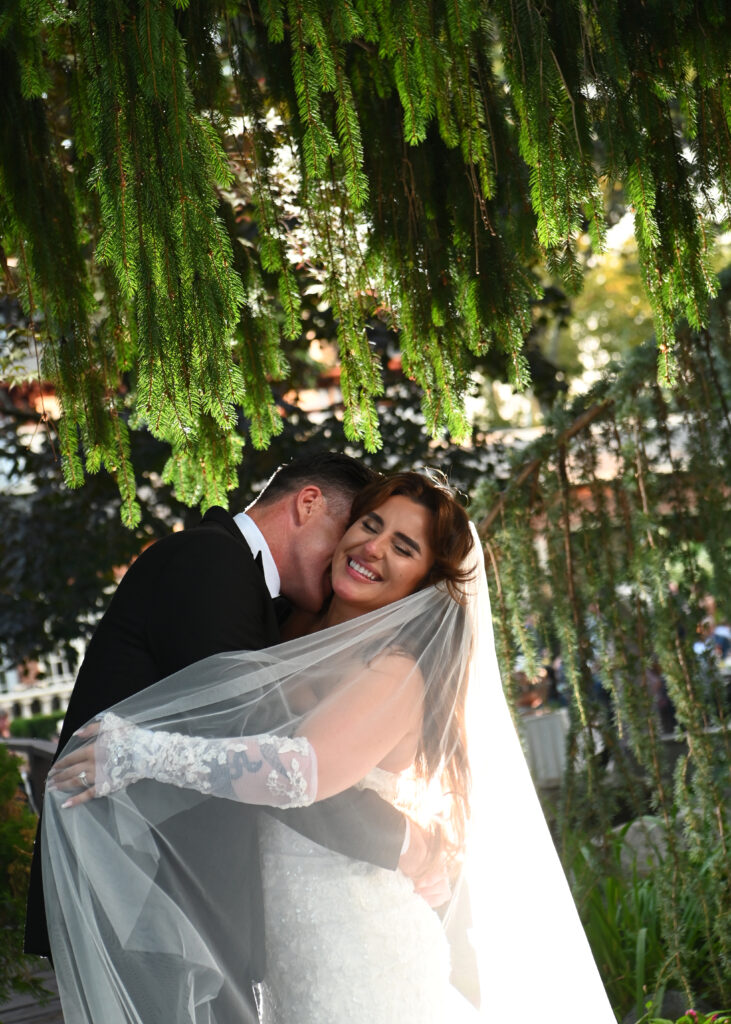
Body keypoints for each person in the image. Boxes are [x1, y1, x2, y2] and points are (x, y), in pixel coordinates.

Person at [45, 472, 617, 1023]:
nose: (373, 548)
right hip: (284, 947)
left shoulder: (396, 670)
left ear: (422, 583)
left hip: (360, 940)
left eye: (403, 545)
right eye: (369, 525)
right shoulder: (284, 628)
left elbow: (297, 775)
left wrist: (141, 753)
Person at [27, 454, 438, 1021]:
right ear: (308, 503)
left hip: (192, 908)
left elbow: (272, 758)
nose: (357, 557)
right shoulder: (212, 563)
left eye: (401, 547)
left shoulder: (256, 594)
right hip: (147, 896)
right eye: (356, 531)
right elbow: (262, 757)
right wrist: (399, 839)